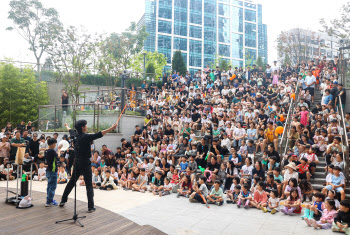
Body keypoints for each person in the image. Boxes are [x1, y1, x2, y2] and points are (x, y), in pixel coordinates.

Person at [59, 121, 118, 212]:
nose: (87, 126)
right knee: (89, 184)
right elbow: (99, 134)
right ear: (82, 127)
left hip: (77, 162)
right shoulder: (85, 137)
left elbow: (69, 129)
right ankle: (90, 207)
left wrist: (66, 125)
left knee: (71, 182)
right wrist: (111, 128)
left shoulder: (74, 135)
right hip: (85, 163)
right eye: (86, 125)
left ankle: (63, 200)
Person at [45, 138, 61, 207]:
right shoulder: (52, 151)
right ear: (53, 144)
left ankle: (49, 199)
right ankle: (49, 201)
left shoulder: (46, 151)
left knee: (49, 186)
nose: (55, 146)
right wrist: (59, 149)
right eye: (55, 144)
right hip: (53, 170)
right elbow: (58, 156)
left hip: (48, 170)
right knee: (52, 186)